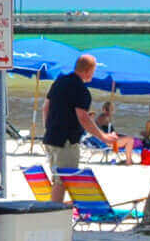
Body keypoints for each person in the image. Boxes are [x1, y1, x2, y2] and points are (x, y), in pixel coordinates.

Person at [42, 55, 120, 205]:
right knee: (63, 181)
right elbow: (83, 118)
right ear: (88, 71)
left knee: (57, 178)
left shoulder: (59, 81)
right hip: (66, 141)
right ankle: (54, 213)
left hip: (50, 138)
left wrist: (49, 128)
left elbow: (45, 107)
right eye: (93, 70)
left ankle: (55, 208)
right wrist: (103, 137)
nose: (93, 74)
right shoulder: (81, 90)